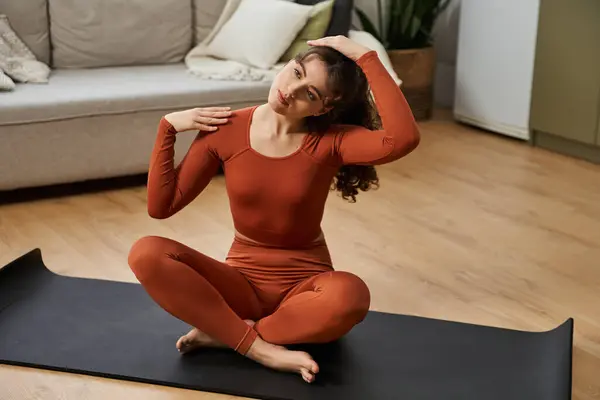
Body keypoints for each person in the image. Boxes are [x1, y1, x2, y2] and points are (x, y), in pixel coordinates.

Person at [127, 35, 420, 384]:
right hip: (238, 285)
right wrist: (168, 128)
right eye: (296, 72)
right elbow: (162, 207)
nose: (290, 90)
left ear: (323, 109)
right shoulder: (227, 129)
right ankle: (259, 347)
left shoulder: (330, 141)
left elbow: (402, 139)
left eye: (310, 94)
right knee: (146, 253)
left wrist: (366, 56)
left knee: (350, 295)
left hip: (305, 290)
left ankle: (228, 334)